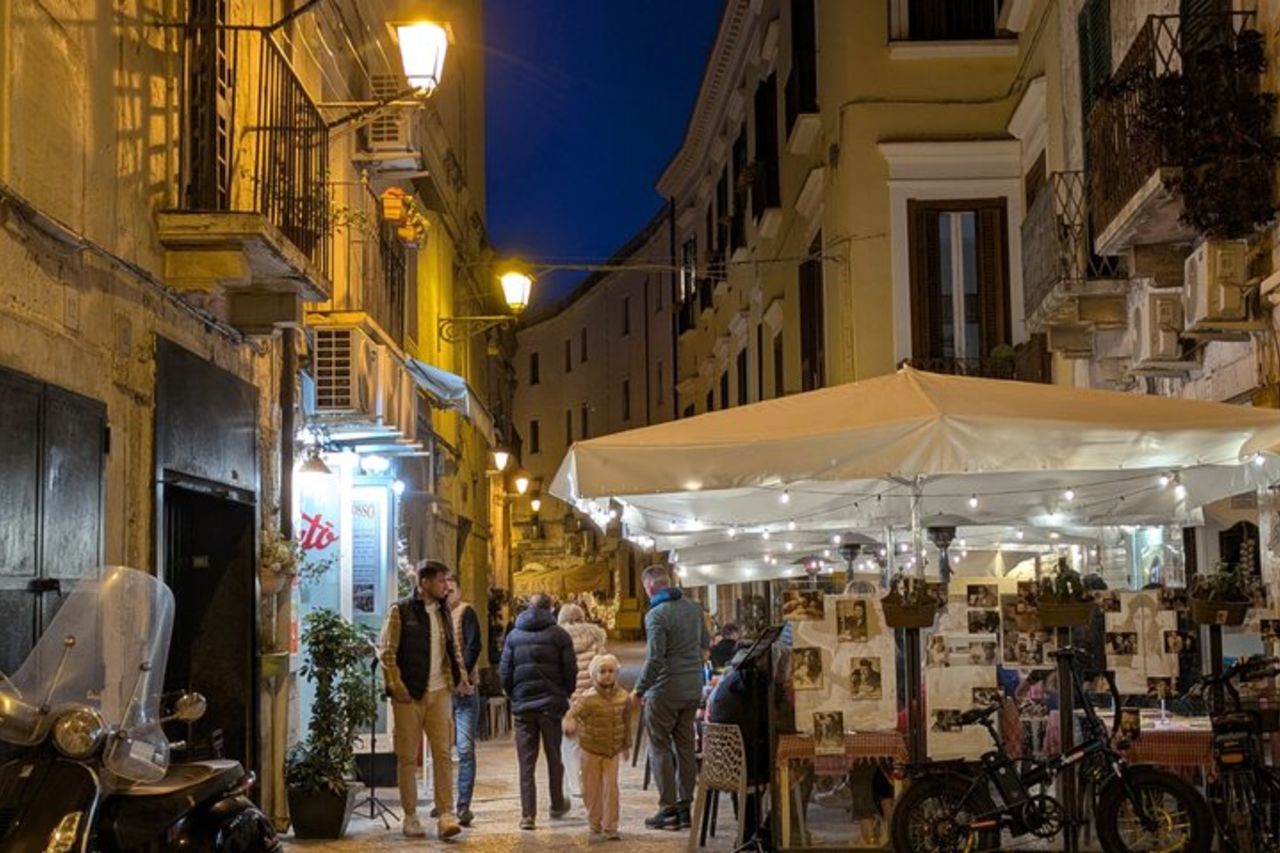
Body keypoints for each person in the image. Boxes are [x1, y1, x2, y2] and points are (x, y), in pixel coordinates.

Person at [379, 560, 464, 840]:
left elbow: (452, 647)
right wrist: (397, 686)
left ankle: (446, 814)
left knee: (442, 753)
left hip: (439, 692)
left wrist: (460, 677)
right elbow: (387, 651)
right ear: (425, 582)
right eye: (441, 581)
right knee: (407, 758)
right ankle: (411, 816)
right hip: (410, 694)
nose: (446, 586)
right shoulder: (400, 610)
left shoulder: (444, 612)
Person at [632, 564, 711, 831]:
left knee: (660, 747)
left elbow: (655, 658)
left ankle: (667, 807)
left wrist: (639, 689)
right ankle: (685, 807)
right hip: (692, 688)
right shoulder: (694, 608)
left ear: (650, 587)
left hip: (664, 690)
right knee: (686, 747)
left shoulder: (656, 615)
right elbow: (705, 645)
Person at [500, 592, 578, 830]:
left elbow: (505, 671)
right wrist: (564, 693)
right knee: (555, 756)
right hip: (552, 706)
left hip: (524, 707)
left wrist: (514, 695)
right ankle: (556, 803)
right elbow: (570, 671)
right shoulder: (560, 635)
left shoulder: (514, 635)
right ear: (551, 608)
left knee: (526, 762)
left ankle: (528, 815)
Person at [564, 654, 631, 841]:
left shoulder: (623, 697)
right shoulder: (587, 699)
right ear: (594, 675)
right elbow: (572, 715)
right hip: (590, 749)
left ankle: (611, 826)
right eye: (602, 671)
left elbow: (626, 723)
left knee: (611, 788)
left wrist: (626, 745)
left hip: (612, 751)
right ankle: (595, 820)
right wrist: (569, 726)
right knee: (591, 789)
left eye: (611, 671)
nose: (607, 675)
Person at [558, 602, 607, 799]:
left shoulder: (558, 639)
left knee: (570, 742)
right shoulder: (595, 638)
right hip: (591, 696)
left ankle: (575, 785)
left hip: (568, 696)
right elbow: (602, 667)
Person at [446, 575, 482, 826]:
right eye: (443, 588)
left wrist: (462, 675)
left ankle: (463, 806)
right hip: (439, 692)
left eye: (451, 589)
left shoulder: (466, 612)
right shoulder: (434, 615)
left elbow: (473, 645)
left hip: (464, 691)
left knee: (465, 749)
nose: (446, 593)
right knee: (440, 751)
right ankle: (443, 805)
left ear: (459, 590)